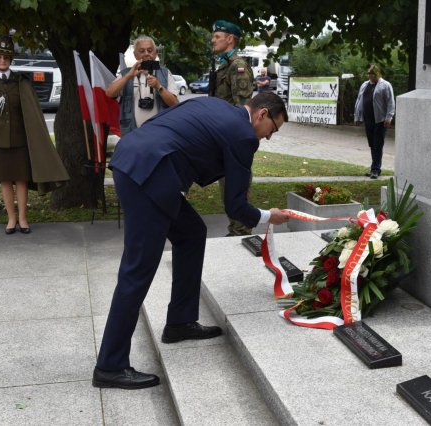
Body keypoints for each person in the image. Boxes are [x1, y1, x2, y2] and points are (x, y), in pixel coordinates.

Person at [93, 92, 289, 390]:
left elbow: (168, 125)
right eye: (273, 129)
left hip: (136, 159)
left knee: (192, 233)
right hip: (149, 177)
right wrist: (267, 215)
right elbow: (235, 207)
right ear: (262, 114)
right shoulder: (243, 135)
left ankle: (180, 322)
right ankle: (110, 365)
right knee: (138, 269)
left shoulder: (213, 103)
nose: (269, 138)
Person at [0, 36, 69, 233]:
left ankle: (23, 219)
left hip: (20, 140)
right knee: (5, 181)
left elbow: (32, 114)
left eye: (6, 57)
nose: (3, 60)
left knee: (21, 180)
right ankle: (11, 219)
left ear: (11, 59)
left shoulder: (21, 82)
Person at [210, 19, 255, 236]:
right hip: (223, 137)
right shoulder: (224, 66)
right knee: (226, 187)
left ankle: (242, 231)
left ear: (230, 39)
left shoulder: (238, 67)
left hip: (233, 139)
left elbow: (243, 107)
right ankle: (235, 229)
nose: (213, 40)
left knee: (236, 188)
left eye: (217, 37)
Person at [106, 36, 179, 137]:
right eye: (141, 51)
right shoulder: (126, 73)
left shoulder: (165, 73)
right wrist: (128, 76)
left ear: (155, 53)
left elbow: (175, 104)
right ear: (135, 55)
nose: (146, 54)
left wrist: (159, 87)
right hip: (132, 134)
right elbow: (109, 93)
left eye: (150, 50)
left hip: (160, 134)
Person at [354, 64, 395, 179]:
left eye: (372, 74)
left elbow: (390, 102)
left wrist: (389, 117)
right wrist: (357, 117)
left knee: (378, 144)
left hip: (380, 120)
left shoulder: (385, 85)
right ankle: (373, 168)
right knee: (372, 144)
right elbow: (359, 100)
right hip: (368, 119)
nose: (370, 76)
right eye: (369, 74)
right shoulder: (365, 85)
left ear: (378, 74)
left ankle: (376, 169)